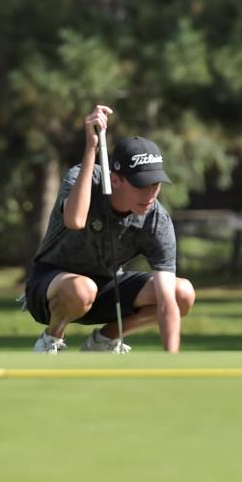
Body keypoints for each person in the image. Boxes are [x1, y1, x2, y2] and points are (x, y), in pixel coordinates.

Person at [24, 105, 196, 353]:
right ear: (115, 180)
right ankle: (51, 339)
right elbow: (75, 220)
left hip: (107, 289)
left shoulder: (156, 219)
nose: (150, 194)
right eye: (141, 185)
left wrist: (172, 361)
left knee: (183, 293)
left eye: (155, 184)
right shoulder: (84, 178)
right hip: (51, 288)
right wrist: (91, 148)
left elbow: (168, 302)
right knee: (82, 289)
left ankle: (104, 340)